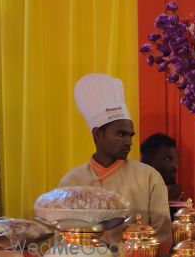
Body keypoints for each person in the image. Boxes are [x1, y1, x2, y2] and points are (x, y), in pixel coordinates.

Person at [61, 73, 171, 247]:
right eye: (121, 134)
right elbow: (63, 240)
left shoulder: (148, 177)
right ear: (97, 134)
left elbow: (163, 236)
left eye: (130, 135)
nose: (129, 141)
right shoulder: (71, 183)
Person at [140, 133, 185, 201]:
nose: (175, 165)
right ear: (149, 161)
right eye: (168, 159)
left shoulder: (173, 189)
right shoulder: (132, 187)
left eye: (177, 158)